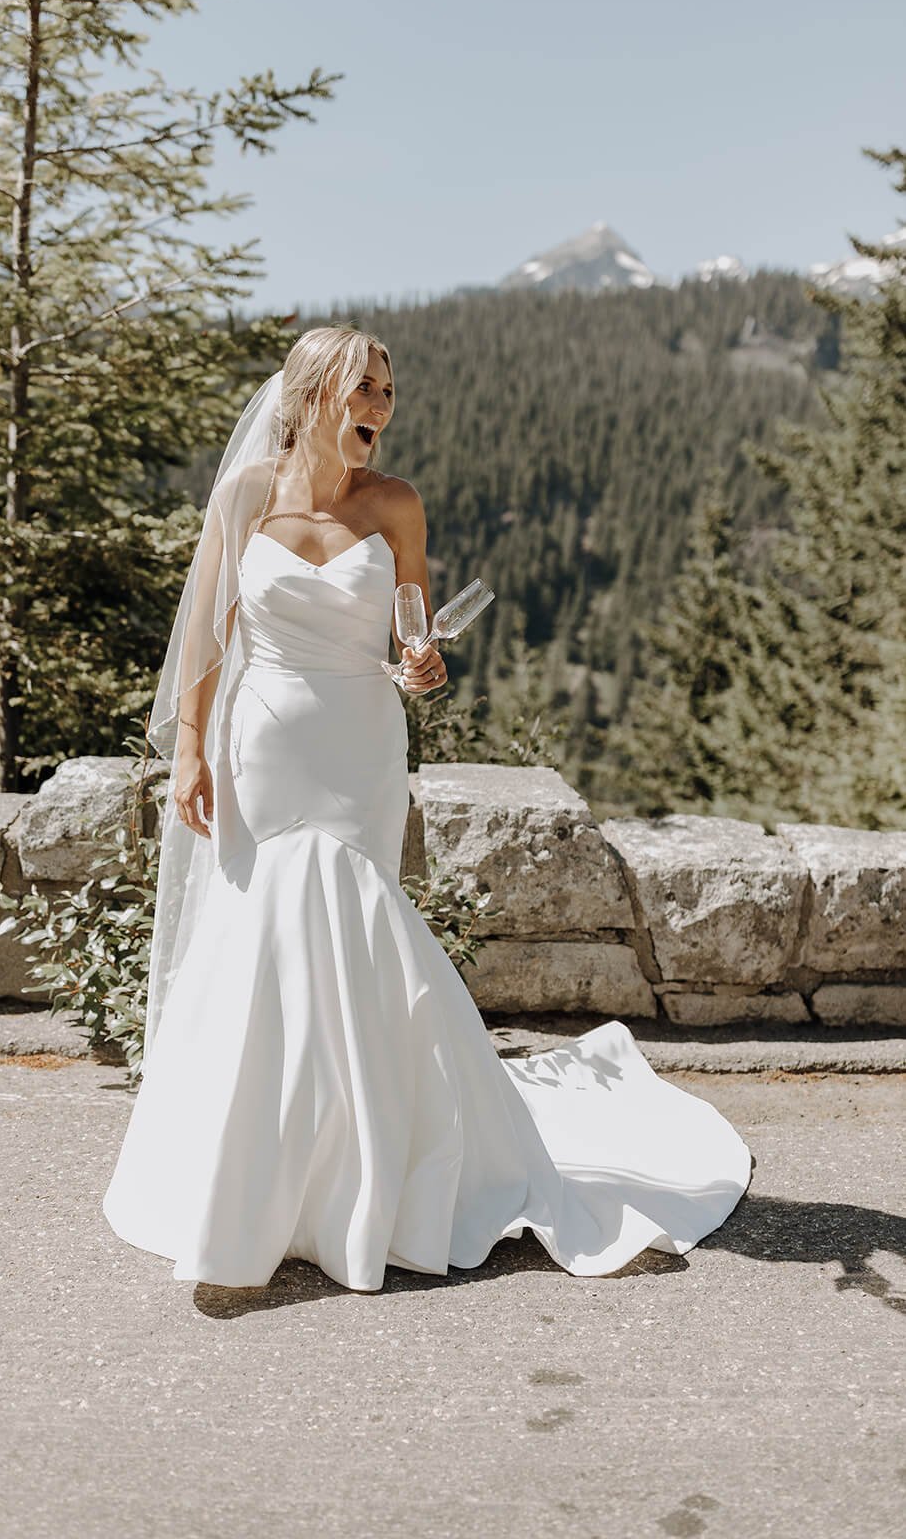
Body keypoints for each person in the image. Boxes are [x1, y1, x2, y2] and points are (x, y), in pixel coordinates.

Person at [102, 324, 753, 1292]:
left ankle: (359, 1175)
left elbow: (412, 646)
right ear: (315, 394)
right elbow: (207, 624)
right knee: (261, 941)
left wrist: (420, 669)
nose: (379, 406)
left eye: (387, 391)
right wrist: (191, 745)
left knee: (355, 936)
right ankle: (248, 1179)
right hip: (266, 747)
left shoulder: (397, 505)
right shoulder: (244, 495)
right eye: (362, 387)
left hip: (360, 747)